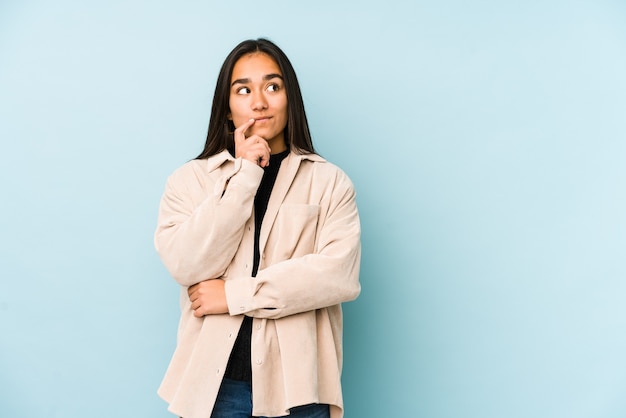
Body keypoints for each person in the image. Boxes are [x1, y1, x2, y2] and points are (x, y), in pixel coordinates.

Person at [154, 38, 361, 418]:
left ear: (289, 99)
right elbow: (186, 264)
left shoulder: (330, 182)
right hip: (214, 390)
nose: (259, 102)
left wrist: (234, 295)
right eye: (243, 89)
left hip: (300, 389)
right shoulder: (188, 182)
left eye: (272, 86)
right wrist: (245, 175)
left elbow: (338, 276)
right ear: (228, 108)